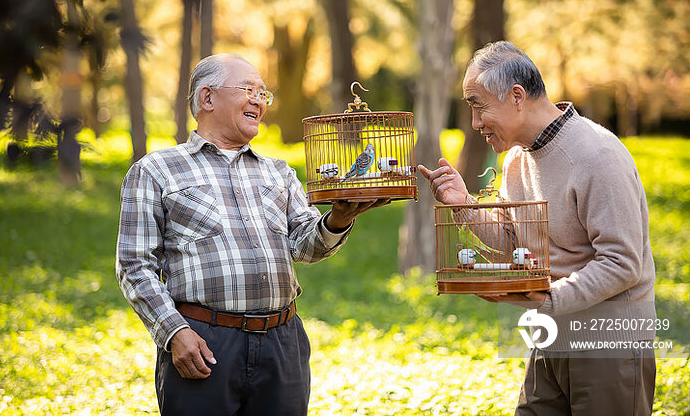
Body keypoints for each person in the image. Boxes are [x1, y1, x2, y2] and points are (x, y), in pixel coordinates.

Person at [116, 53, 388, 415]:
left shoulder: (278, 172)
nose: (259, 100)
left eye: (264, 93)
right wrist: (174, 333)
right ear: (207, 98)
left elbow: (305, 246)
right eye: (248, 89)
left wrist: (337, 218)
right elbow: (135, 266)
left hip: (282, 340)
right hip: (204, 340)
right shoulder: (156, 170)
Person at [419, 41, 656, 416]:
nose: (475, 123)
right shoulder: (516, 159)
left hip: (607, 343)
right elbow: (513, 241)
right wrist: (464, 207)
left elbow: (623, 263)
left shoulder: (598, 155)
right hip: (551, 333)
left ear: (516, 96)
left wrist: (548, 298)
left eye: (477, 106)